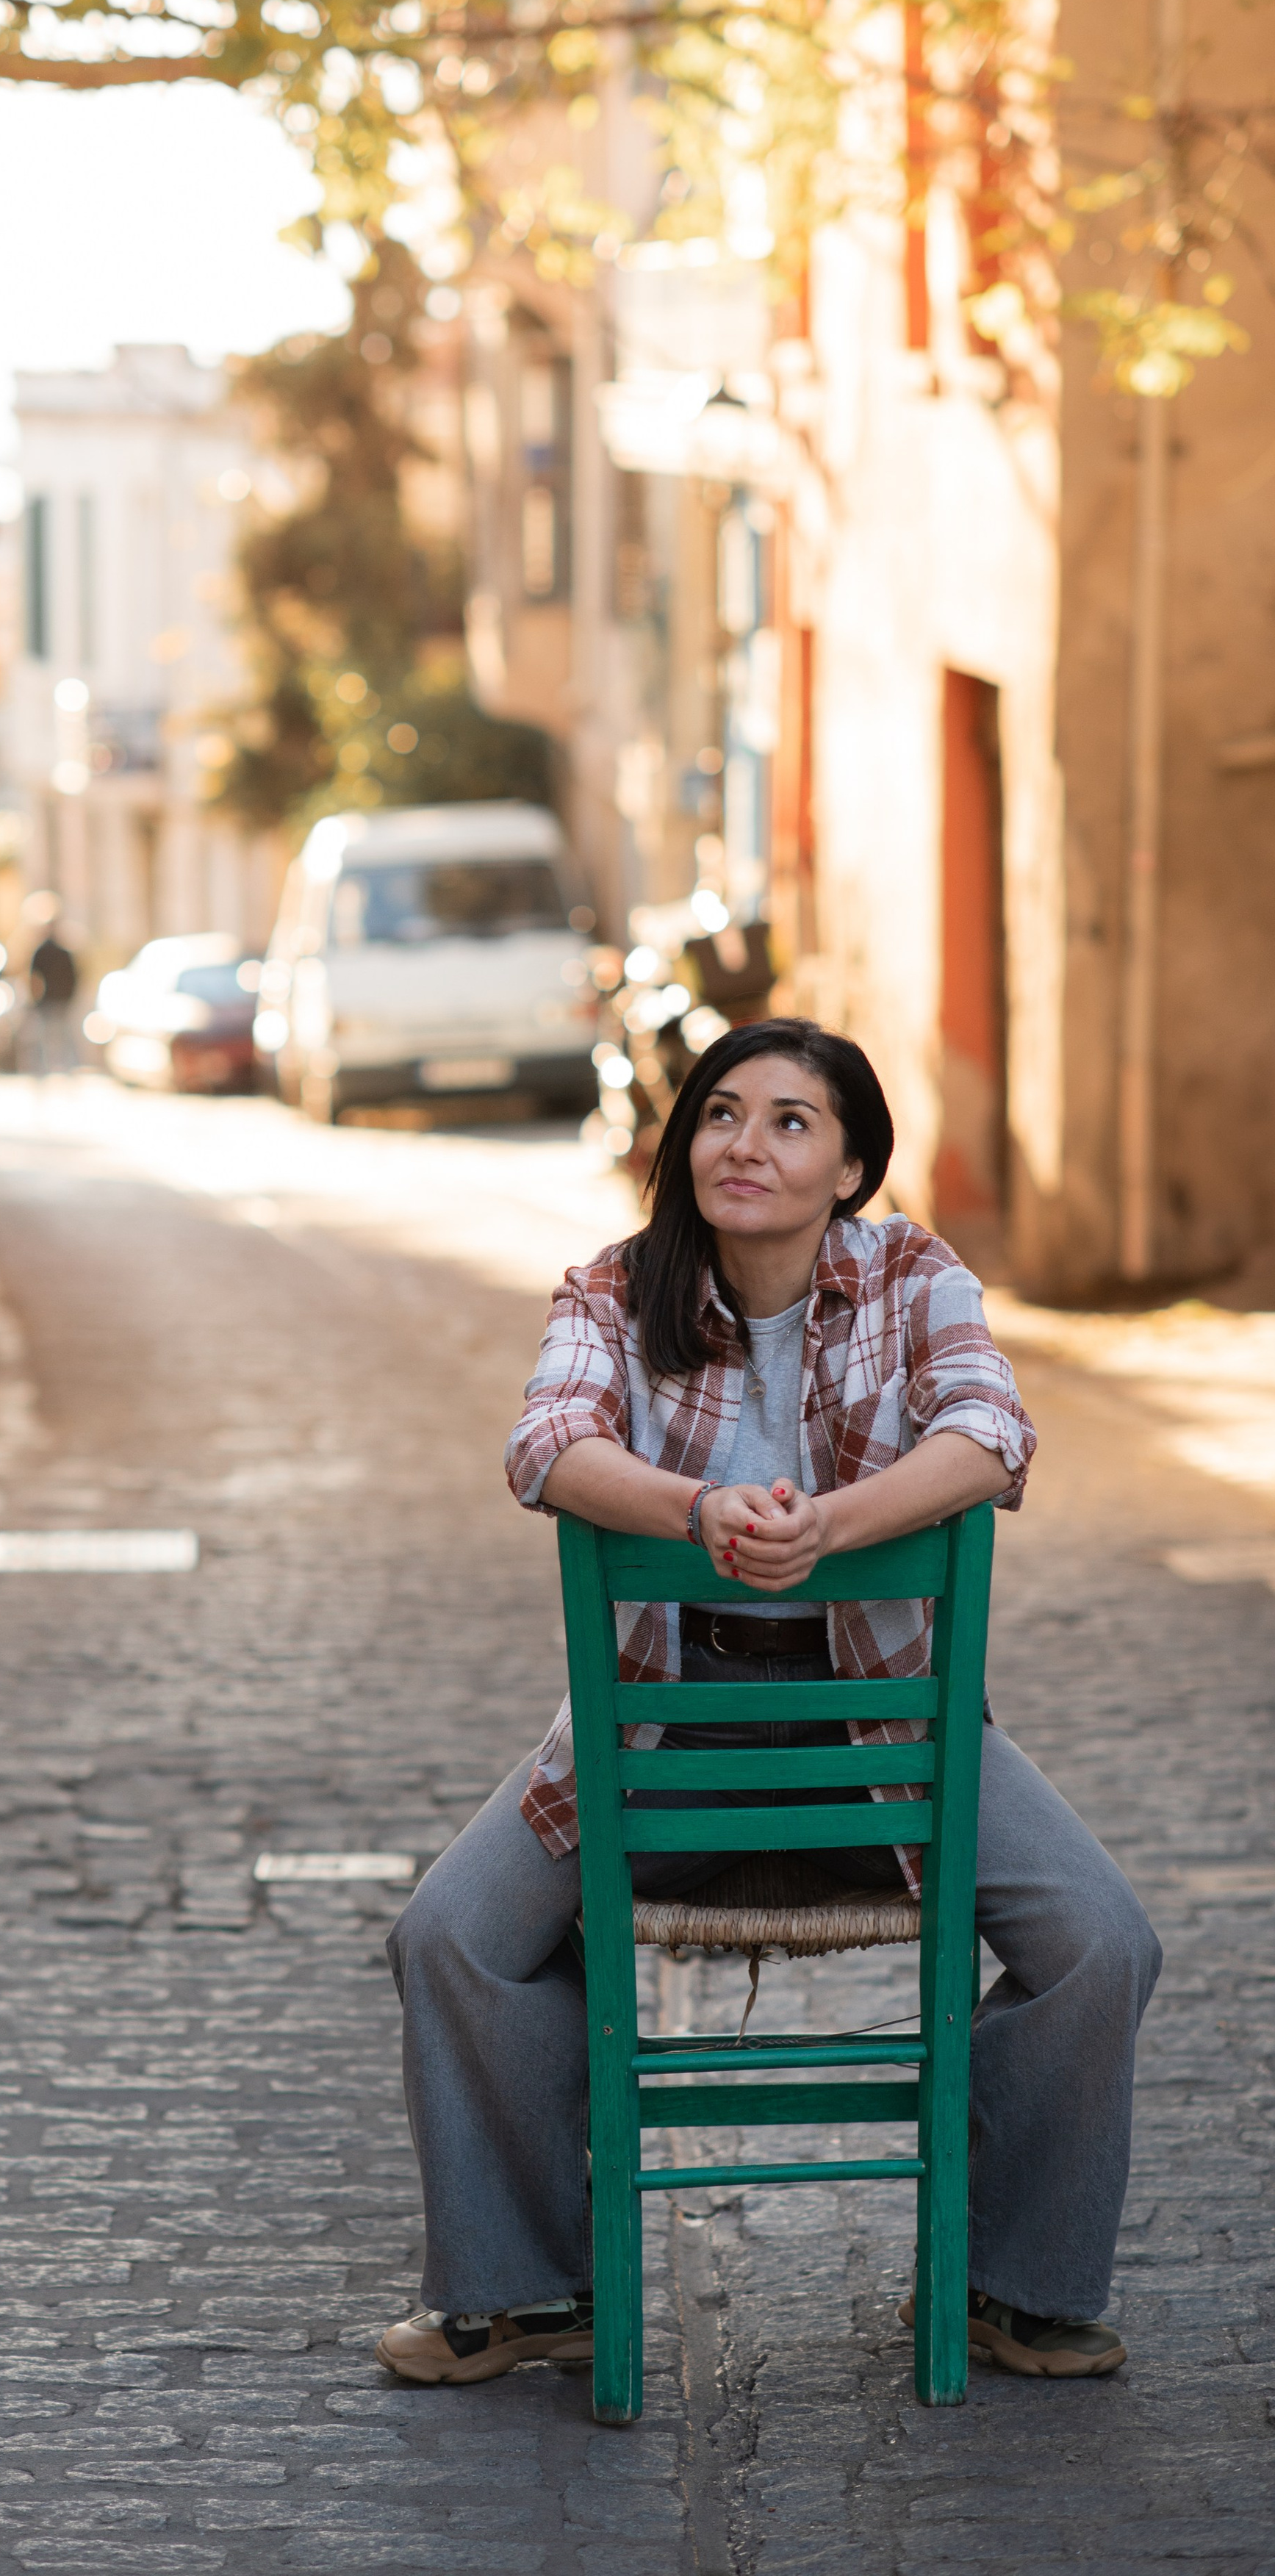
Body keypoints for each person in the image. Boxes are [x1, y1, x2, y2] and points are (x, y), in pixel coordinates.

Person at [378, 1018, 1161, 2391]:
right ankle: (526, 2292)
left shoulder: (915, 1275)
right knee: (451, 1938)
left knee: (1105, 1945)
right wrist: (698, 1509)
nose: (746, 1144)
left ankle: (1011, 2287)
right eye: (722, 1113)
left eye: (792, 1121)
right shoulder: (614, 1288)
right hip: (661, 1724)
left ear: (850, 1166)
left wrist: (829, 1529)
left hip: (891, 1725)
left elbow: (992, 1432)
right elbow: (545, 1443)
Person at [26, 910, 80, 1076]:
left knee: (50, 1037)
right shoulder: (63, 951)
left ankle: (48, 1071)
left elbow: (33, 978)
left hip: (52, 1000)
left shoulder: (46, 951)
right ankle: (67, 1069)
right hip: (58, 1000)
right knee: (60, 1037)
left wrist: (34, 999)